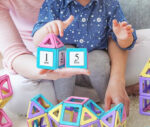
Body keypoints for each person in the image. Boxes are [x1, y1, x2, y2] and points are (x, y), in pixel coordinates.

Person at [0, 0, 148, 116]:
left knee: (100, 62)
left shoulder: (108, 3)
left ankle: (106, 98)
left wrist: (123, 38)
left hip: (98, 55)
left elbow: (121, 40)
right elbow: (33, 42)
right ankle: (66, 102)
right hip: (49, 61)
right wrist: (47, 31)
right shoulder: (54, 3)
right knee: (17, 95)